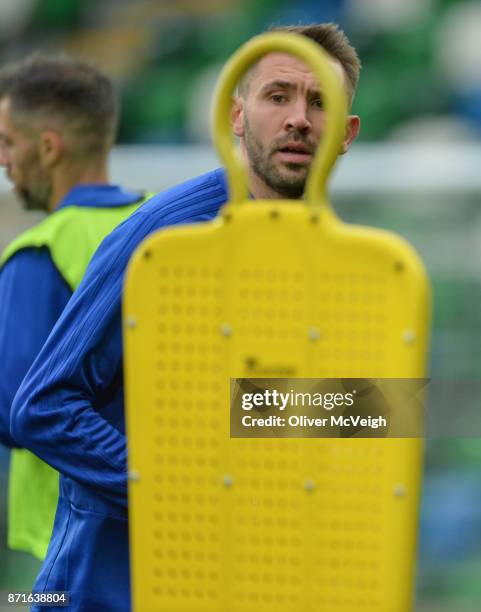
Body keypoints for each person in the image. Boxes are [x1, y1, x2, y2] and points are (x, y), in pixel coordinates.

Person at [10, 24, 361, 611]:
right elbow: (41, 405)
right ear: (237, 114)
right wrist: (179, 493)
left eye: (320, 101)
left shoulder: (340, 256)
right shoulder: (163, 238)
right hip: (106, 591)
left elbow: (292, 412)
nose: (300, 118)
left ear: (347, 133)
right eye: (278, 96)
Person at [0, 55, 150, 562]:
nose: (3, 161)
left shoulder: (38, 254)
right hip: (160, 533)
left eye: (7, 143)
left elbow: (15, 410)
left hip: (69, 541)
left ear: (47, 148)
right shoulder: (165, 230)